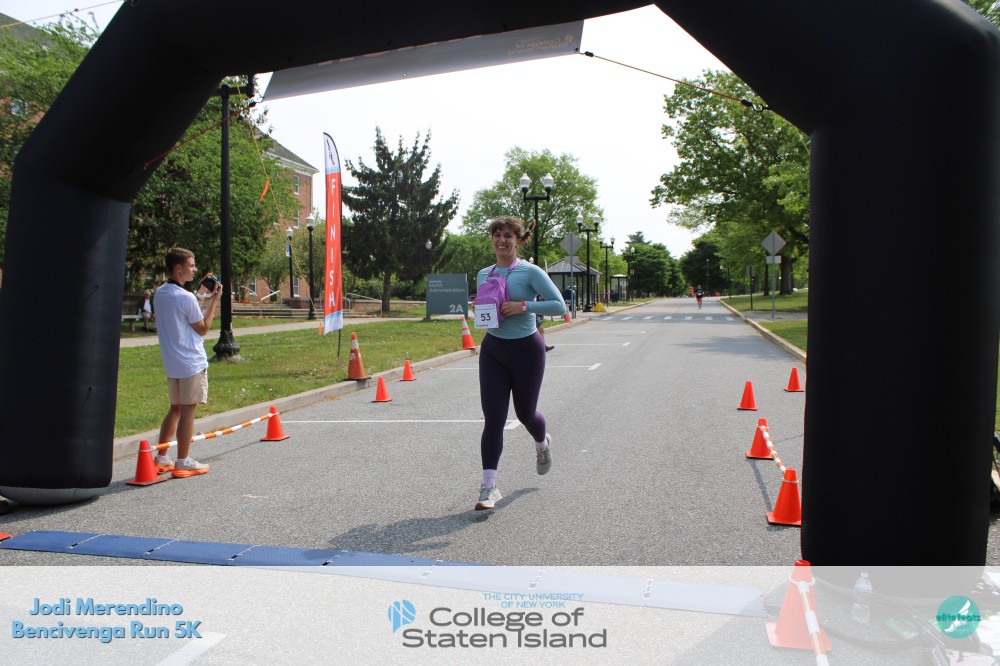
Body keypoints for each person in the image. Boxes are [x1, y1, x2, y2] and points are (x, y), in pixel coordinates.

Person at [473, 216, 566, 510]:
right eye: (497, 235)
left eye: (508, 236)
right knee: (494, 419)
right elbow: (486, 309)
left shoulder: (530, 272)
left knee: (526, 414)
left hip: (526, 350)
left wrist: (523, 306)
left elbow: (559, 305)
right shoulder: (483, 274)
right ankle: (489, 488)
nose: (502, 240)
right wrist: (481, 309)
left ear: (518, 240)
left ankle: (542, 442)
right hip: (493, 350)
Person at [152, 248, 222, 478]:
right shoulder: (185, 297)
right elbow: (202, 328)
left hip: (172, 361)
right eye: (191, 265)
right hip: (191, 361)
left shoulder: (161, 293)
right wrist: (214, 301)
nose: (195, 269)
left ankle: (161, 457)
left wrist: (200, 294)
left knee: (175, 408)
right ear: (178, 267)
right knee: (187, 412)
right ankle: (183, 460)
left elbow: (185, 315)